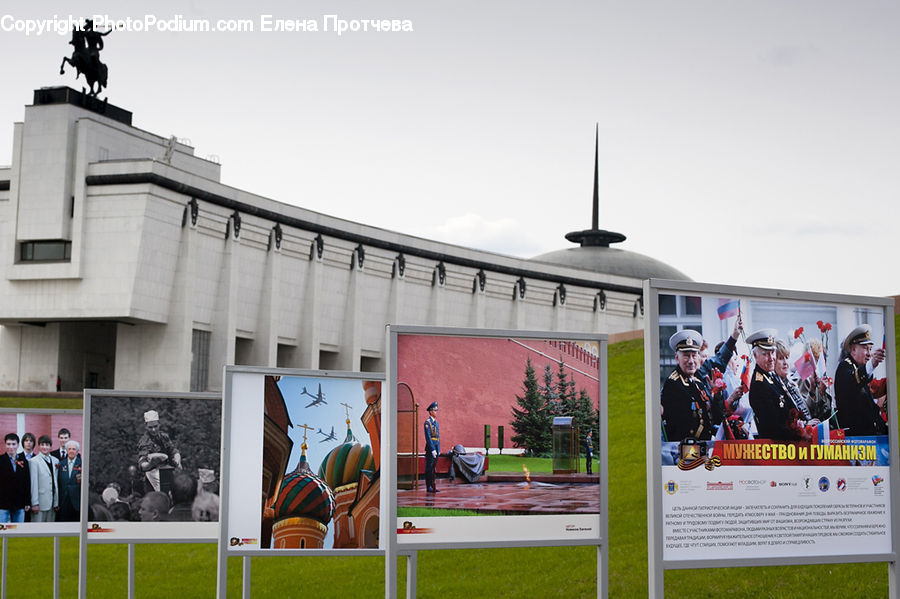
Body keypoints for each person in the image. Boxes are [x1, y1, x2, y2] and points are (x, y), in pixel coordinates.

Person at [660, 316, 742, 442]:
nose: (691, 361)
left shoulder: (698, 382)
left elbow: (716, 417)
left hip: (703, 445)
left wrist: (717, 394)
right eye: (686, 356)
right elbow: (683, 427)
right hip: (687, 449)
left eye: (694, 355)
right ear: (677, 358)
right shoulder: (674, 384)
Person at [748, 331, 803, 441]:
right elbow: (773, 428)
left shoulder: (770, 377)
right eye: (765, 354)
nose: (771, 358)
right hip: (778, 448)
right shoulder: (760, 384)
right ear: (755, 355)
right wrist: (800, 433)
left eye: (772, 353)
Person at [834, 324, 888, 436]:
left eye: (870, 349)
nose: (869, 354)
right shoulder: (845, 366)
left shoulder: (858, 369)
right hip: (856, 440)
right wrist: (871, 364)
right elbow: (853, 380)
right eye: (865, 348)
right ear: (853, 350)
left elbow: (871, 411)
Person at [773, 340, 820, 439]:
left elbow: (806, 411)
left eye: (787, 357)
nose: (785, 362)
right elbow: (785, 421)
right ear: (773, 361)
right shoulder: (775, 386)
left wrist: (812, 389)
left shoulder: (791, 384)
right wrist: (806, 424)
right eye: (781, 359)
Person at [137, 410, 182, 493]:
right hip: (153, 476)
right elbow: (142, 464)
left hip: (167, 471)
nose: (153, 430)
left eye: (155, 426)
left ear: (159, 424)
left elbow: (173, 450)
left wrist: (177, 460)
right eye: (150, 427)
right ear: (145, 426)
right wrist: (150, 464)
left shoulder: (164, 437)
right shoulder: (144, 442)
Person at [0, 433, 31, 522]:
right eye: (8, 444)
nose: (11, 447)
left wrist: (27, 501)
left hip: (19, 503)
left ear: (17, 445)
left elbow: (27, 482)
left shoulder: (23, 461)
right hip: (3, 503)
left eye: (13, 444)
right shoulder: (1, 460)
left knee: (18, 532)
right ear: (5, 445)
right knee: (2, 531)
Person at [29, 435, 59, 522]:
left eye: (47, 445)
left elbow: (55, 482)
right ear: (39, 446)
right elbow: (33, 483)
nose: (44, 447)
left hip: (52, 501)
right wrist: (35, 503)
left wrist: (56, 502)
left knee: (50, 530)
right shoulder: (34, 461)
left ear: (50, 446)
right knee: (38, 530)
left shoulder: (55, 461)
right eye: (42, 445)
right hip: (40, 502)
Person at [57, 440, 82, 522]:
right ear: (67, 450)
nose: (71, 451)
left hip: (77, 502)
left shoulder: (82, 464)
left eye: (74, 449)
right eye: (69, 449)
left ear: (77, 451)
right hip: (63, 501)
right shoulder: (61, 464)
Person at [424, 401, 440, 493]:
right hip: (431, 449)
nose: (436, 412)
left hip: (436, 448)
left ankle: (433, 486)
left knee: (434, 468)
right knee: (429, 468)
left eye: (436, 410)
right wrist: (433, 449)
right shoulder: (427, 423)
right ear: (430, 412)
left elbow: (438, 437)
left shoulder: (436, 423)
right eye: (434, 410)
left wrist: (438, 449)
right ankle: (428, 486)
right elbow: (428, 437)